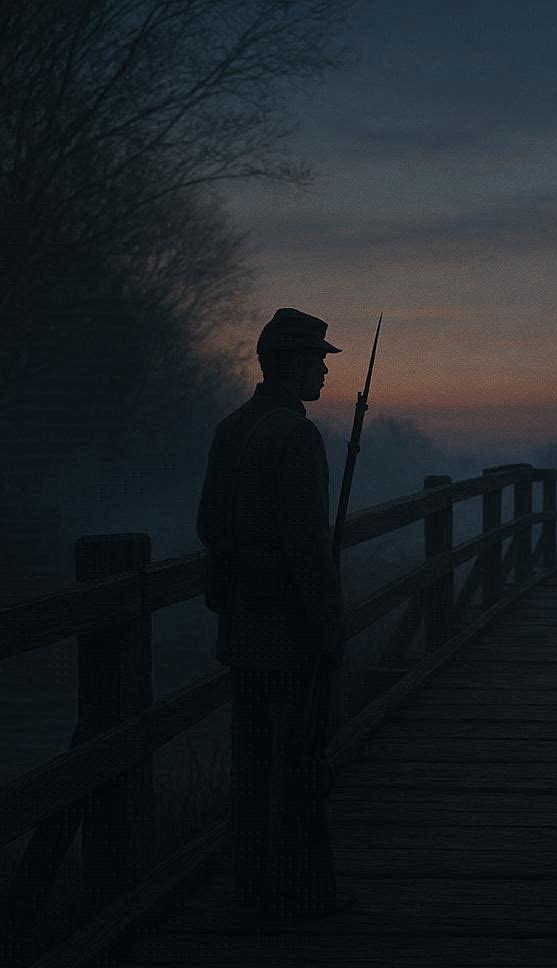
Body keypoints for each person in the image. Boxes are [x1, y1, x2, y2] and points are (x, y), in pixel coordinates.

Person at [196, 306, 351, 915]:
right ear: (290, 362)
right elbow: (308, 545)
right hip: (288, 628)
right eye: (316, 359)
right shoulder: (296, 434)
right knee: (300, 763)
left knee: (253, 762)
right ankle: (304, 895)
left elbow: (208, 523)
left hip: (241, 624)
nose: (323, 372)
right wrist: (329, 624)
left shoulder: (231, 428)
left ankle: (253, 891)